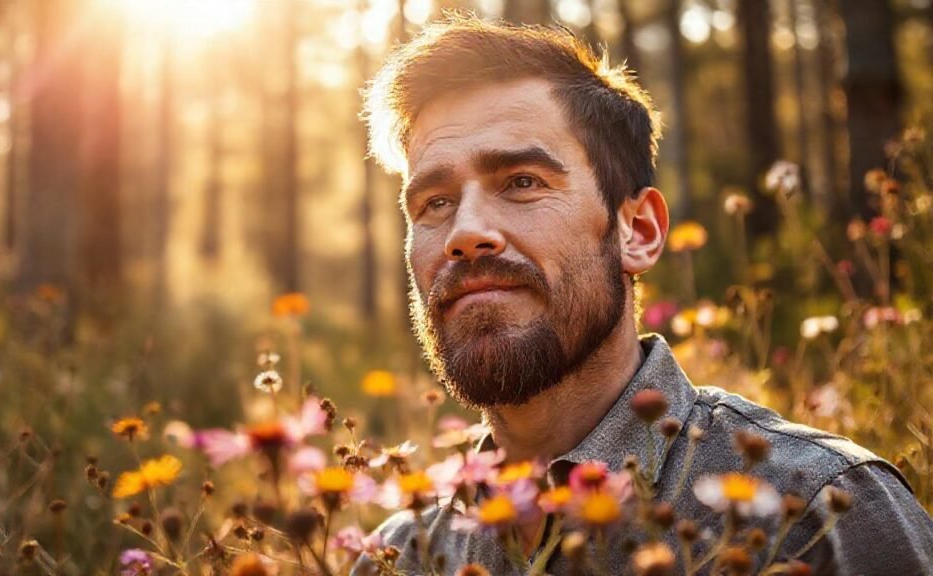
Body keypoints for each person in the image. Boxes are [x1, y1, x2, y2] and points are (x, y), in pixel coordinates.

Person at [355, 15, 933, 575]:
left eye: (522, 182)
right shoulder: (399, 559)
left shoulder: (818, 517)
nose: (464, 233)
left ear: (639, 231)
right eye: (434, 202)